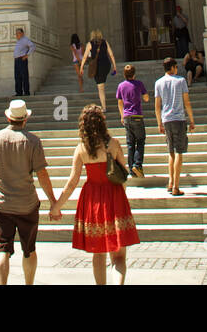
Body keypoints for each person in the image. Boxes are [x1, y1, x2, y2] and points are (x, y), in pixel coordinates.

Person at [50, 104, 140, 284]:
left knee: (98, 254)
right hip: (114, 196)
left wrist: (56, 207)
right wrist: (120, 194)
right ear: (102, 123)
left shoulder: (81, 148)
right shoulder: (113, 144)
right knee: (119, 256)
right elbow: (123, 173)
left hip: (92, 200)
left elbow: (72, 182)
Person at [0, 99, 56, 285]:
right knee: (29, 249)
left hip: (2, 203)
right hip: (27, 204)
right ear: (25, 119)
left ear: (8, 117)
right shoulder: (33, 141)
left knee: (2, 250)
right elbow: (42, 174)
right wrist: (53, 201)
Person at [154, 57, 194, 196]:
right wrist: (192, 120)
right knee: (179, 152)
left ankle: (170, 182)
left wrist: (159, 122)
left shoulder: (158, 83)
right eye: (175, 67)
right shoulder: (181, 81)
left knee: (171, 152)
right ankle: (176, 186)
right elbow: (187, 102)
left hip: (166, 120)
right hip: (178, 119)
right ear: (172, 68)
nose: (177, 69)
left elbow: (157, 106)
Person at [115, 64, 150, 177]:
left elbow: (120, 102)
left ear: (124, 75)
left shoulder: (121, 86)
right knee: (140, 141)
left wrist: (122, 116)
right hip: (137, 116)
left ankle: (131, 169)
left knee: (130, 143)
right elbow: (146, 97)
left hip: (127, 117)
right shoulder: (139, 84)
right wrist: (145, 96)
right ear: (134, 74)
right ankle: (137, 165)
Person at [80, 29, 114, 113]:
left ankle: (104, 107)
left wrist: (81, 67)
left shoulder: (90, 44)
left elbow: (84, 57)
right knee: (102, 84)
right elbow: (111, 54)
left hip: (97, 67)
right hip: (106, 65)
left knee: (100, 88)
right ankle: (104, 106)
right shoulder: (105, 42)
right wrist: (115, 66)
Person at [13, 27, 36, 97]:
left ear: (22, 33)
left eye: (18, 33)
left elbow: (33, 46)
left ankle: (26, 92)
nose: (17, 35)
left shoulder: (25, 40)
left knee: (24, 76)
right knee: (17, 77)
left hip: (22, 60)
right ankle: (19, 92)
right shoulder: (18, 41)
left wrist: (27, 55)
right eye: (16, 33)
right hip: (16, 60)